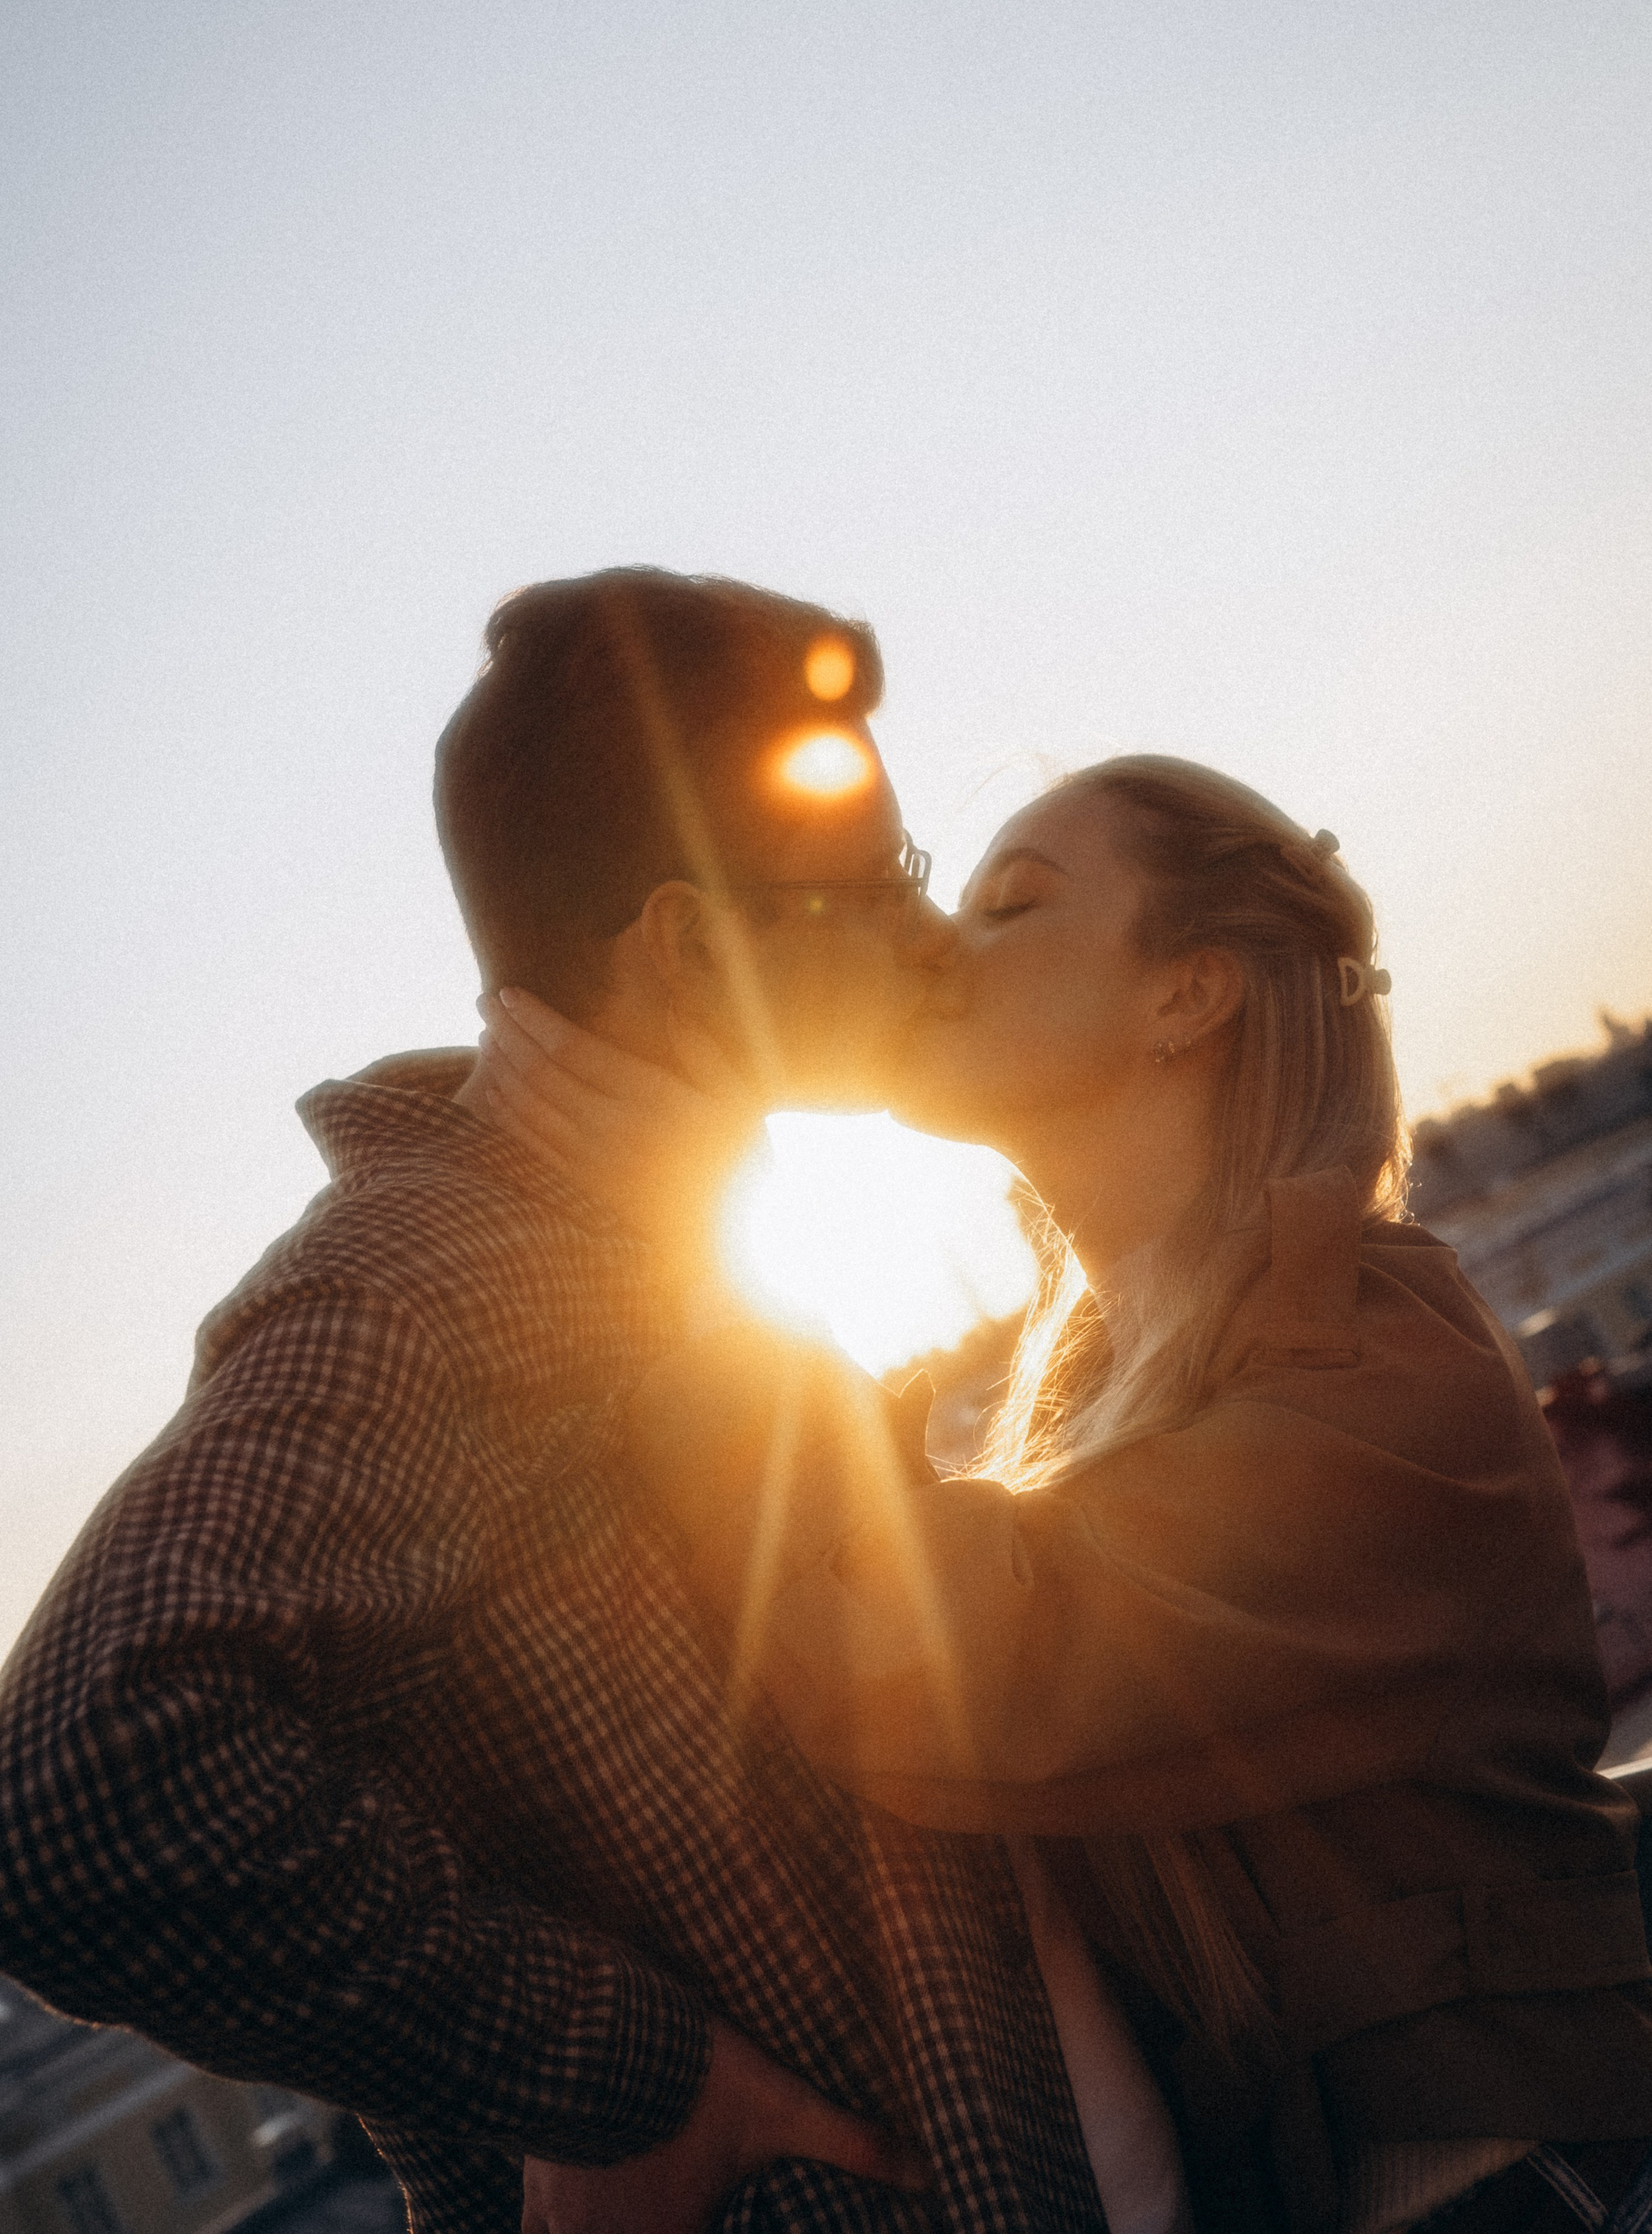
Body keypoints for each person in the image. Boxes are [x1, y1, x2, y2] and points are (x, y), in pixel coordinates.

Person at [0, 570, 1114, 2234]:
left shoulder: (633, 1253)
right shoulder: (431, 1277)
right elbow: (80, 1794)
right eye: (875, 882)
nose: (924, 933)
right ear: (684, 944)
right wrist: (633, 2074)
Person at [471, 755, 1652, 2234]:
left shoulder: (1373, 1355)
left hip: (1503, 2188)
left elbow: (944, 1670)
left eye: (1011, 903)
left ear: (1185, 997)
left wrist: (676, 1256)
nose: (941, 946)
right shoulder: (1084, 1392)